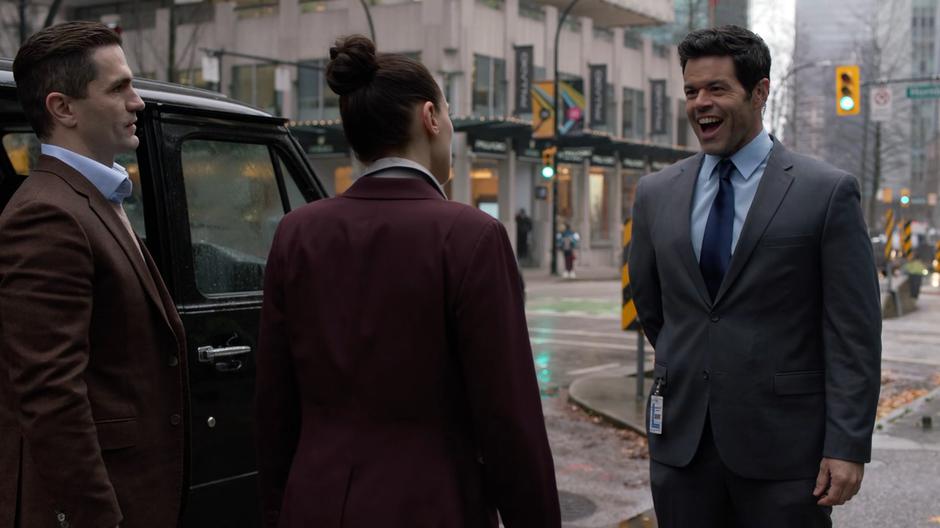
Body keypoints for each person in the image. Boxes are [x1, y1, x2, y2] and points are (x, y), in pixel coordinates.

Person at [255, 35, 560, 528]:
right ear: (430, 117)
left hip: (316, 500)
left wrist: (277, 506)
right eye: (449, 110)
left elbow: (274, 401)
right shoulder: (471, 236)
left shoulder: (297, 232)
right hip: (433, 504)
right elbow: (509, 417)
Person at [628, 25, 881, 527]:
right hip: (683, 454)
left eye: (717, 88)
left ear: (760, 92)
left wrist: (847, 444)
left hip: (786, 457)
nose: (701, 102)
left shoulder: (826, 193)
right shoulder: (656, 193)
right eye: (692, 91)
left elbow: (853, 334)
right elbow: (657, 310)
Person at [0, 22, 188, 528]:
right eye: (119, 87)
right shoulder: (47, 214)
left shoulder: (91, 198)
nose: (139, 102)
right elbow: (50, 394)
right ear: (63, 108)